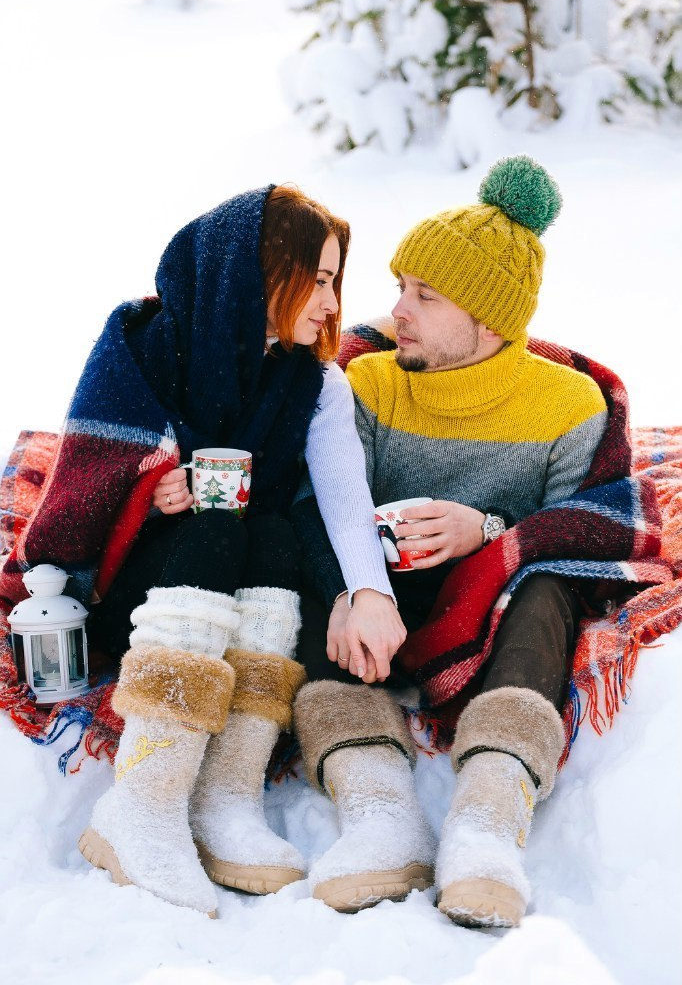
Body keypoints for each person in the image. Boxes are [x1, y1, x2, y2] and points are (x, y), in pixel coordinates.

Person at [31, 184, 405, 917]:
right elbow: (90, 481)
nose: (331, 303)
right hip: (136, 595)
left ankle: (223, 796)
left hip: (230, 592)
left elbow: (344, 498)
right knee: (218, 525)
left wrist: (369, 593)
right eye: (316, 280)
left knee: (268, 531)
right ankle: (141, 803)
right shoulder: (144, 346)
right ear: (258, 274)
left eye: (335, 281)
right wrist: (150, 494)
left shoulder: (315, 381)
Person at [292, 157, 609, 927]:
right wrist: (348, 588)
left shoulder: (570, 406)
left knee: (548, 586)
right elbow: (316, 504)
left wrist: (485, 530)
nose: (397, 309)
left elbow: (582, 538)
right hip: (385, 601)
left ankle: (488, 822)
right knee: (307, 581)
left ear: (490, 320)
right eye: (400, 286)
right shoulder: (369, 384)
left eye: (425, 296)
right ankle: (379, 816)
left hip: (495, 612)